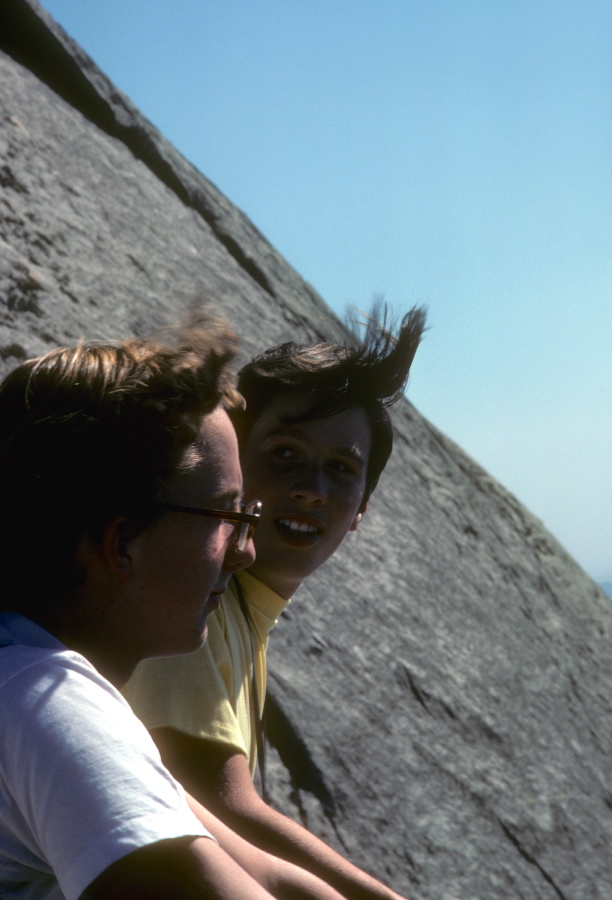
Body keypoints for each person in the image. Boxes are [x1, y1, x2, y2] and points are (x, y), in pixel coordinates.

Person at [0, 317, 355, 900]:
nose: (246, 551)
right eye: (229, 516)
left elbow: (266, 875)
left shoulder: (32, 673)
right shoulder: (52, 705)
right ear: (123, 543)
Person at [125, 306, 427, 900]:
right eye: (285, 453)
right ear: (233, 458)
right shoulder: (191, 601)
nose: (310, 490)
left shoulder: (240, 607)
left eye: (341, 470)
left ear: (361, 509)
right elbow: (214, 803)